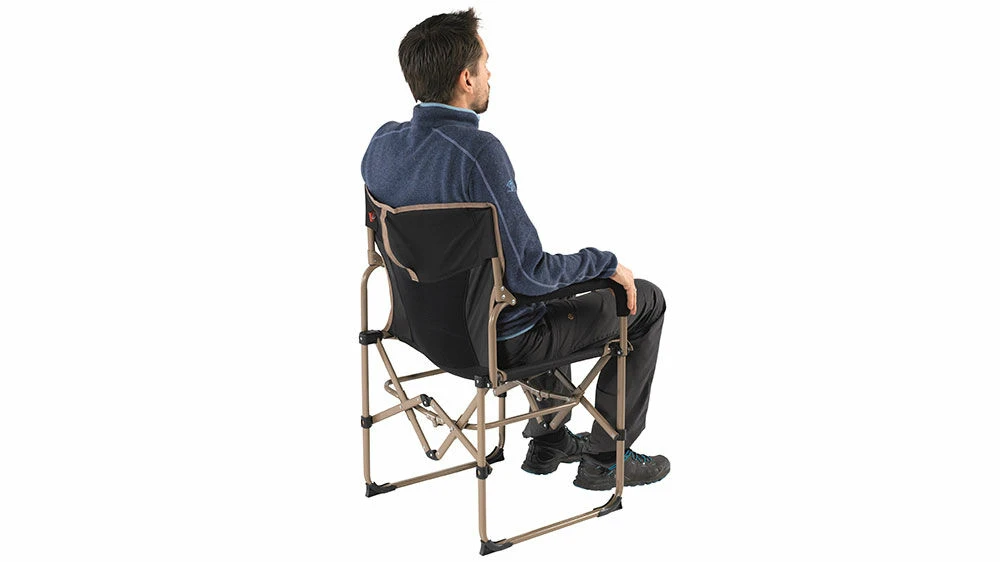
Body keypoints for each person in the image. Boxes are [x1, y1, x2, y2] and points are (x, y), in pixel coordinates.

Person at [361, 8, 669, 491]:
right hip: (492, 343)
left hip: (421, 330)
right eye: (485, 64)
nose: (490, 74)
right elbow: (529, 274)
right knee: (641, 298)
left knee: (543, 294)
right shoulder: (478, 152)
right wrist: (607, 264)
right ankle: (607, 460)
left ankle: (549, 440)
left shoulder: (381, 145)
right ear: (466, 78)